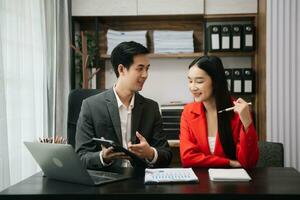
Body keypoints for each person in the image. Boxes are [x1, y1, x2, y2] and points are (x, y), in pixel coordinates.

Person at [75, 41, 172, 170]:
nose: (145, 75)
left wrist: (150, 153)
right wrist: (103, 157)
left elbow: (166, 154)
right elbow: (81, 157)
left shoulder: (151, 108)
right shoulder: (91, 106)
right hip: (107, 182)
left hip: (141, 182)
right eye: (140, 68)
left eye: (147, 68)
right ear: (121, 69)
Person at [180, 56, 258, 169]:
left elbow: (248, 163)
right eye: (190, 81)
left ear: (216, 81)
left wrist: (247, 122)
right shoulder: (188, 112)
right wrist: (229, 162)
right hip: (201, 182)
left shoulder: (238, 112)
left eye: (199, 81)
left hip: (232, 184)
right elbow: (187, 158)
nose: (192, 87)